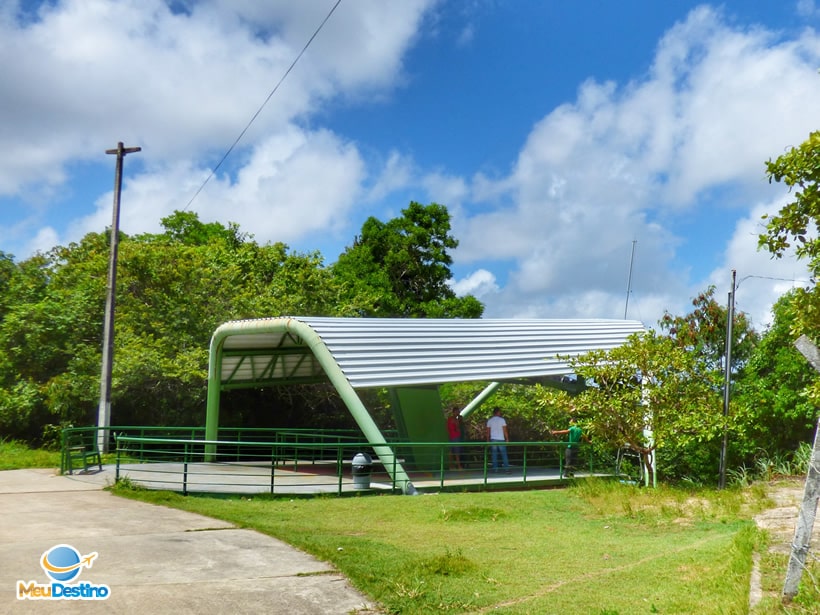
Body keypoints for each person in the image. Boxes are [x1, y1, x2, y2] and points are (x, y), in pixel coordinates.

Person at [486, 407, 510, 472]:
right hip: (501, 439)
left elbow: (488, 432)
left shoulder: (490, 420)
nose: (501, 413)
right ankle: (506, 468)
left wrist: (487, 441)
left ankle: (495, 469)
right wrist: (507, 439)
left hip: (493, 439)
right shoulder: (502, 420)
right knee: (504, 454)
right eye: (500, 412)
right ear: (498, 412)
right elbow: (505, 431)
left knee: (494, 454)